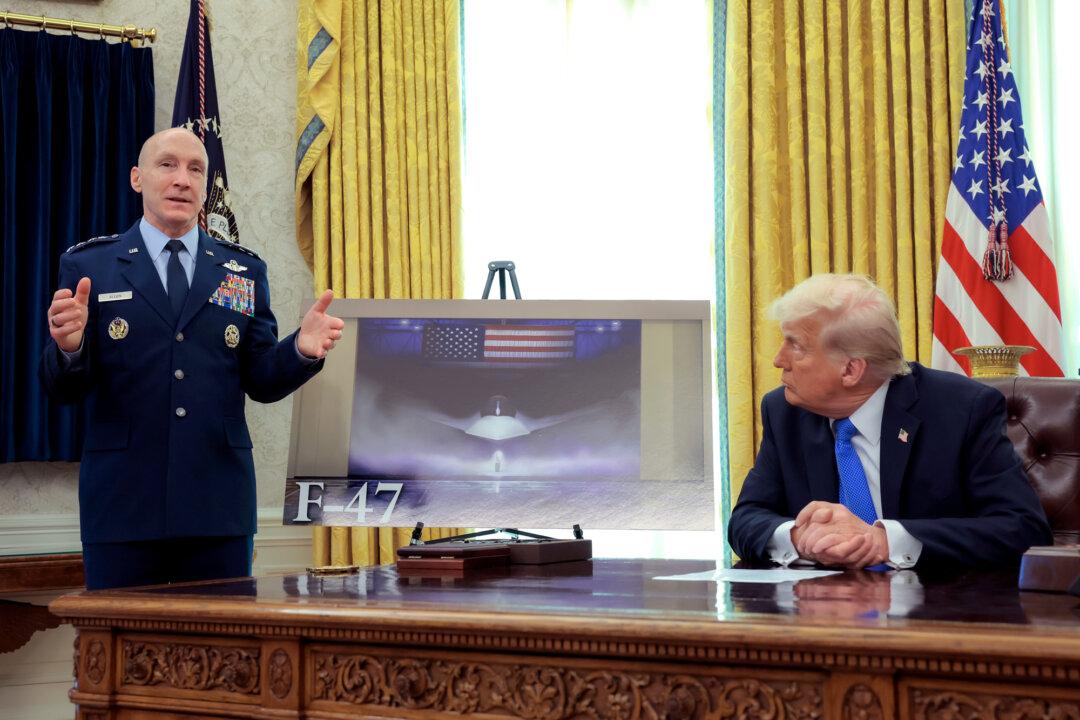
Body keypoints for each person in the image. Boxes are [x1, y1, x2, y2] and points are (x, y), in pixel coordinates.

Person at [41, 128, 345, 590]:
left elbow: (260, 379)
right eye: (168, 165)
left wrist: (299, 351)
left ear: (206, 187)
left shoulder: (242, 271)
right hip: (122, 503)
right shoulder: (90, 267)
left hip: (217, 503)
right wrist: (69, 346)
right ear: (137, 178)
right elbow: (62, 391)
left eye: (195, 169)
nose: (182, 179)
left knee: (223, 658)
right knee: (124, 655)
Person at [727, 273, 1051, 570]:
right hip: (820, 614)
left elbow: (1023, 529)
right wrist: (798, 538)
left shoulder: (961, 410)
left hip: (931, 617)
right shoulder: (784, 412)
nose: (778, 359)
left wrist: (886, 540)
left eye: (795, 345)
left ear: (851, 370)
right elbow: (745, 520)